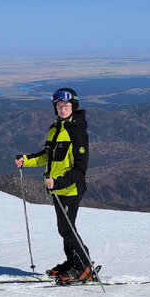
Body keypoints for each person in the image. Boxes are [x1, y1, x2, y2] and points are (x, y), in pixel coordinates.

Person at [15, 87, 95, 283]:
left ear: (73, 107)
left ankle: (84, 268)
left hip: (70, 189)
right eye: (59, 106)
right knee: (65, 228)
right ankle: (73, 262)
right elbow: (46, 155)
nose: (62, 109)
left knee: (67, 229)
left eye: (66, 106)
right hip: (57, 189)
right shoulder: (54, 129)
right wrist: (26, 160)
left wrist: (58, 182)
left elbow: (80, 168)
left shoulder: (78, 133)